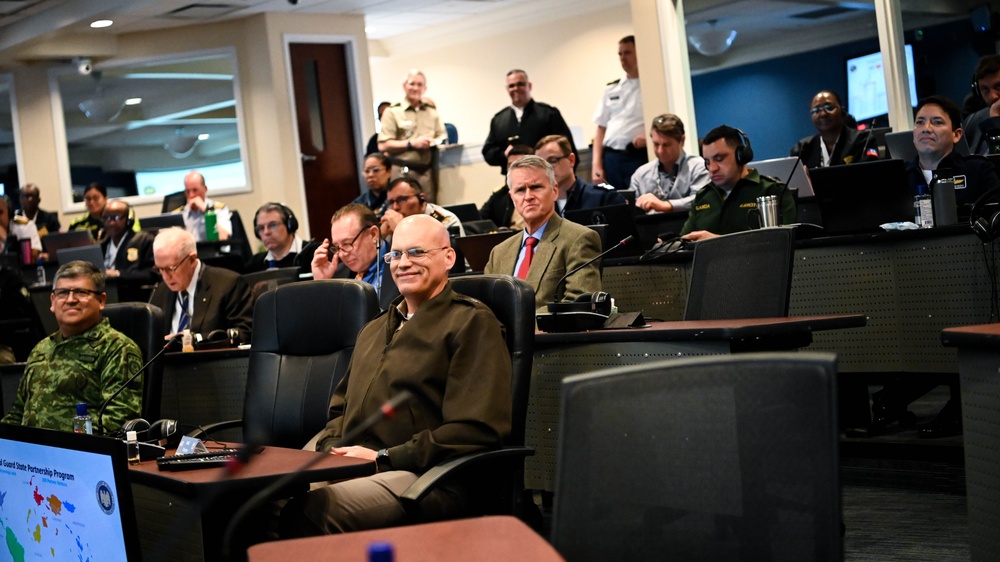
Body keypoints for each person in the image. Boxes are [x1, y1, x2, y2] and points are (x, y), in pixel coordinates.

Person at [279, 214, 511, 535]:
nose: (403, 263)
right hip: (361, 467)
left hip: (428, 475)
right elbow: (339, 411)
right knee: (264, 501)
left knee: (312, 512)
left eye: (417, 252)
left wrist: (382, 458)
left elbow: (474, 429)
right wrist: (333, 451)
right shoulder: (373, 329)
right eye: (395, 254)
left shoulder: (472, 323)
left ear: (448, 257)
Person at [1, 260, 143, 433]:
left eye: (81, 292)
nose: (70, 300)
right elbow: (17, 414)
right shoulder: (41, 349)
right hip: (31, 456)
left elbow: (116, 423)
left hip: (81, 455)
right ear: (52, 301)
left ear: (101, 300)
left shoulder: (117, 348)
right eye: (62, 293)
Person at [484, 155, 603, 310]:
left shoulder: (579, 239)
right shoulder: (498, 253)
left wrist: (519, 326)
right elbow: (486, 307)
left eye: (536, 187)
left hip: (548, 333)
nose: (528, 197)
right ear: (512, 199)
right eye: (520, 190)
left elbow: (579, 303)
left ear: (554, 191)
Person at [681, 125, 796, 240]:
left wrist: (717, 243)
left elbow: (783, 243)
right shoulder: (703, 196)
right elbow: (683, 242)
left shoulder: (771, 191)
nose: (712, 168)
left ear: (741, 155)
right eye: (707, 161)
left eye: (719, 159)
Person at [149, 227, 252, 342]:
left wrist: (194, 339)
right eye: (160, 269)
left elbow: (245, 334)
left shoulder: (228, 284)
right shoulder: (160, 291)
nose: (165, 276)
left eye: (171, 268)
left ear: (192, 260)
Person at [906, 95, 1000, 216]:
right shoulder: (899, 177)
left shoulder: (978, 170)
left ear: (956, 135)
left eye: (937, 122)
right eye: (920, 122)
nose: (926, 128)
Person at [482, 69, 576, 175]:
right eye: (511, 86)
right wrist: (504, 154)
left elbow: (567, 148)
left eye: (520, 84)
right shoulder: (498, 120)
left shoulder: (549, 114)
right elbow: (488, 152)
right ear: (507, 89)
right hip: (514, 181)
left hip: (546, 177)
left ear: (529, 86)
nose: (516, 88)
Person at [310, 204, 399, 311]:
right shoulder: (336, 276)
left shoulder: (402, 265)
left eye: (347, 244)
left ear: (373, 234)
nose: (342, 254)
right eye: (337, 247)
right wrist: (321, 284)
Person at [378, 70, 447, 200]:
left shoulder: (431, 112)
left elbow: (442, 136)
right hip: (402, 171)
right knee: (404, 211)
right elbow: (383, 145)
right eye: (412, 84)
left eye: (420, 85)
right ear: (404, 86)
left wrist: (433, 141)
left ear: (424, 88)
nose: (416, 88)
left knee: (428, 212)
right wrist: (412, 144)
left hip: (426, 172)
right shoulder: (393, 112)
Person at [592, 35, 645, 191]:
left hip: (637, 156)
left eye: (627, 53)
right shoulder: (612, 89)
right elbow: (600, 129)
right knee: (615, 204)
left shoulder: (652, 85)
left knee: (639, 202)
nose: (623, 58)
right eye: (620, 54)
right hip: (611, 158)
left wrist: (649, 138)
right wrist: (596, 164)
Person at [631, 114, 710, 214]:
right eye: (656, 144)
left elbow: (702, 200)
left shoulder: (698, 167)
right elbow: (630, 208)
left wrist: (667, 205)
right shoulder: (641, 174)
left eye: (666, 145)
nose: (660, 151)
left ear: (682, 140)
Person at [535, 135, 625, 216]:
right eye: (541, 165)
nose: (547, 169)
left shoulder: (603, 198)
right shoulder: (539, 204)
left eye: (553, 160)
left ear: (571, 160)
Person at [789, 90, 875, 168]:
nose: (823, 114)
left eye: (829, 108)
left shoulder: (862, 140)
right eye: (816, 110)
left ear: (843, 110)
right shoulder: (803, 148)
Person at [101, 199, 157, 294]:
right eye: (107, 218)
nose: (111, 222)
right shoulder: (103, 243)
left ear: (128, 220)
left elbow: (152, 275)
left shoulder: (144, 240)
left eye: (117, 217)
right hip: (106, 293)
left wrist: (118, 274)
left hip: (132, 295)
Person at [379, 178, 464, 239]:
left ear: (421, 198)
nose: (395, 207)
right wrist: (380, 236)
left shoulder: (444, 221)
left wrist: (402, 229)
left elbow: (442, 258)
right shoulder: (391, 224)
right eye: (390, 202)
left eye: (402, 199)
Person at [480, 145, 534, 229]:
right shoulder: (501, 195)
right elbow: (480, 218)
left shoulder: (541, 192)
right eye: (510, 165)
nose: (514, 170)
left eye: (519, 165)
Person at [245, 202, 311, 273]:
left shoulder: (314, 253)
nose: (266, 232)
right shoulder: (255, 264)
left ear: (290, 226)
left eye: (272, 225)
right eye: (261, 228)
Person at [172, 170, 232, 242]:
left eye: (195, 190)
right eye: (187, 191)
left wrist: (205, 210)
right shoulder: (179, 214)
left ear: (205, 189)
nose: (191, 195)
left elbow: (223, 237)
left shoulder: (218, 209)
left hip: (214, 251)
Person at [962, 55, 1000, 155]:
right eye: (985, 89)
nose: (992, 96)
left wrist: (995, 121)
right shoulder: (973, 121)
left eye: (998, 86)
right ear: (978, 91)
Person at [0, 194, 41, 262]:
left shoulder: (25, 226)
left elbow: (33, 256)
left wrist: (4, 239)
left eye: (0, 212)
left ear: (10, 213)